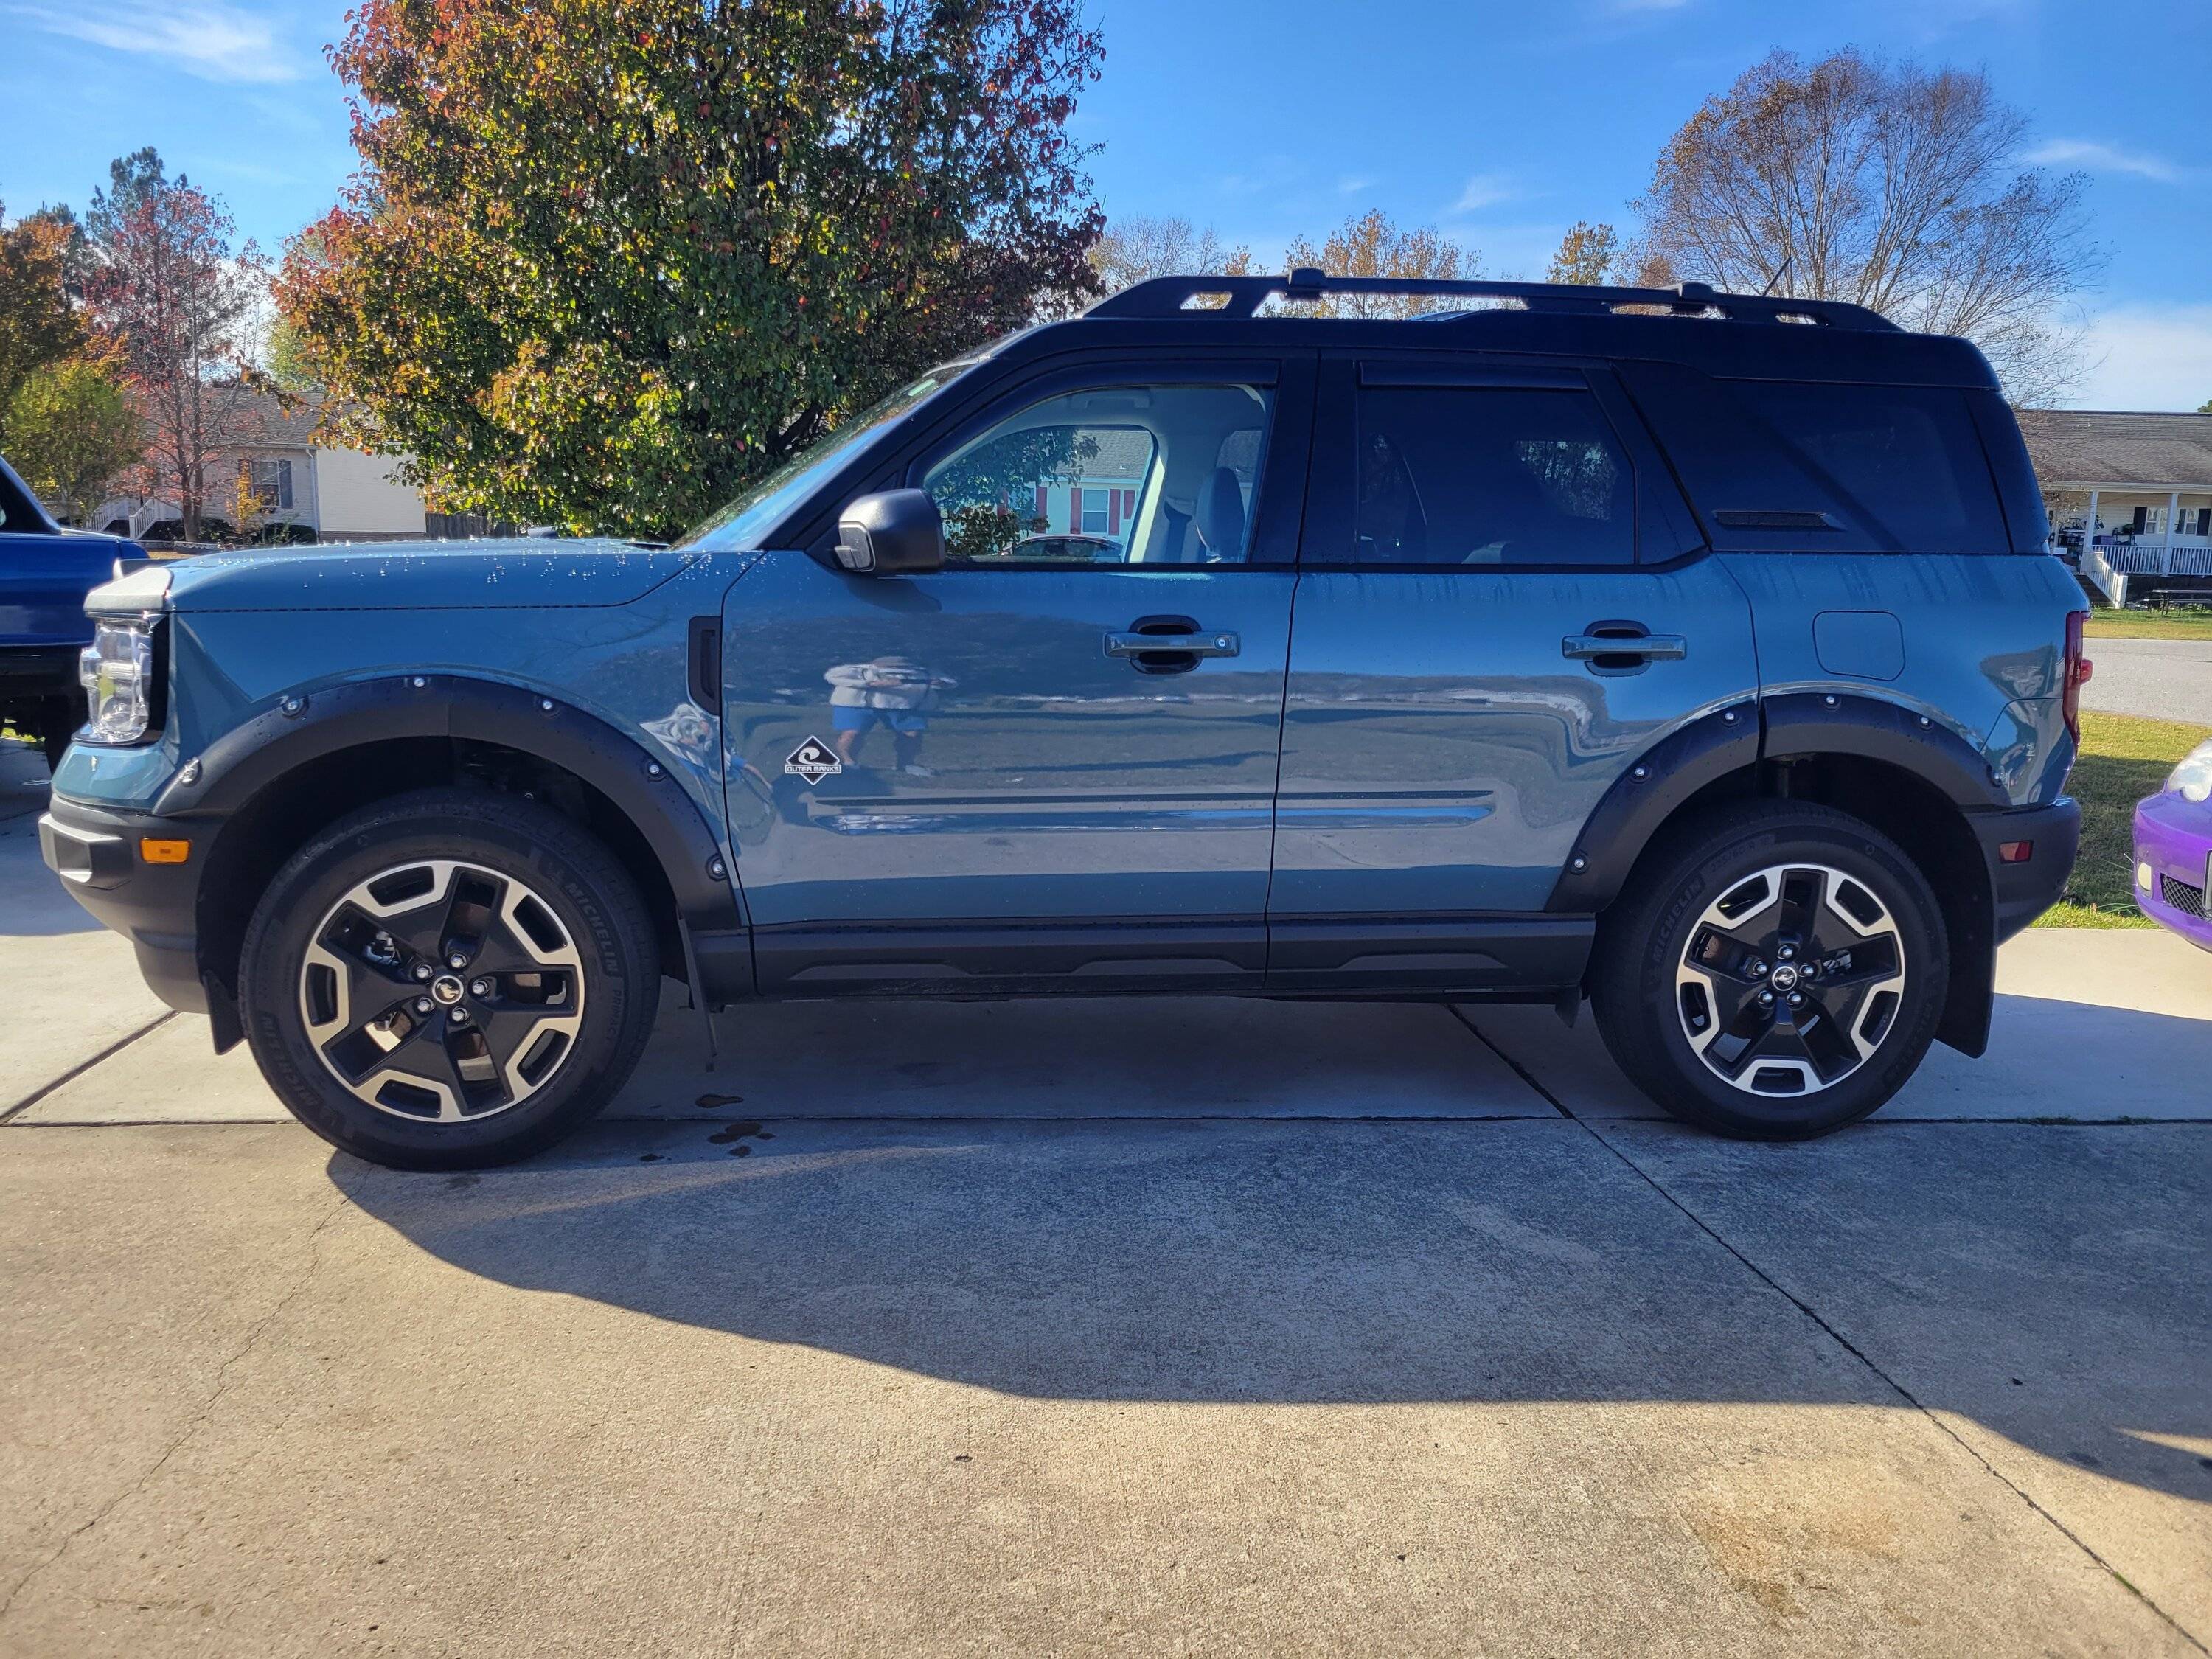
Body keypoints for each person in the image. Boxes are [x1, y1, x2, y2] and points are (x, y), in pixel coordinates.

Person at [824, 655, 956, 775]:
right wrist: (870, 683)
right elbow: (831, 677)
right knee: (852, 733)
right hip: (857, 704)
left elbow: (949, 682)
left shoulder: (922, 672)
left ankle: (906, 764)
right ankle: (849, 763)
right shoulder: (857, 670)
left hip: (905, 705)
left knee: (912, 734)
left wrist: (940, 683)